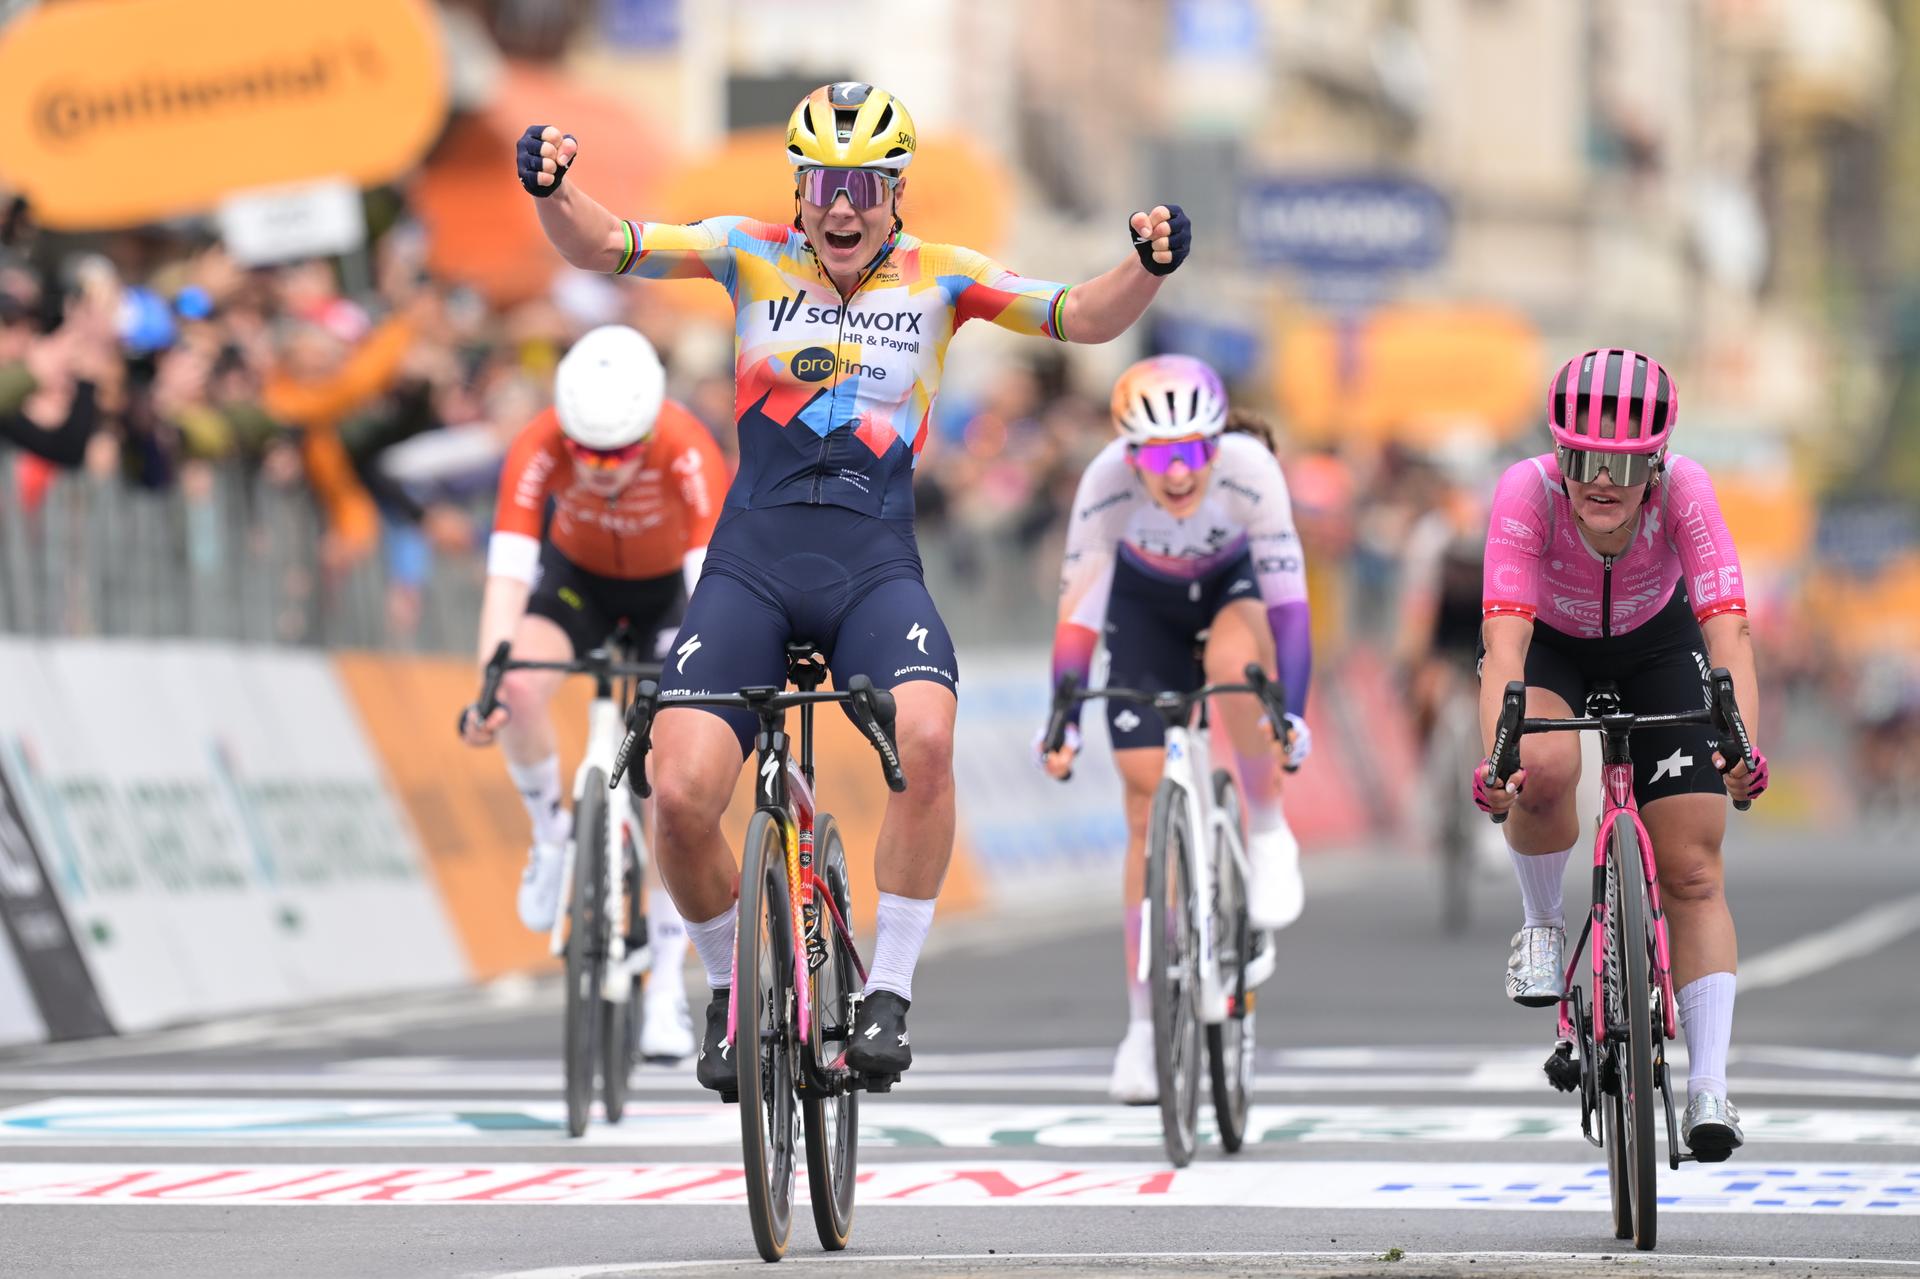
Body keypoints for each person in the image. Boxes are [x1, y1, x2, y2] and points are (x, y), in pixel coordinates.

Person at [515, 81, 1191, 1091]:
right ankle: (724, 989)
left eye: (865, 185)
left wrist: (1145, 265)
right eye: (825, 182)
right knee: (681, 794)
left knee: (924, 738)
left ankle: (889, 996)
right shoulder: (746, 251)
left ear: (898, 189)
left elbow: (1079, 315)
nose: (842, 206)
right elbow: (606, 245)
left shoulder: (944, 279)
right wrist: (552, 189)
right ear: (799, 186)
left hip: (873, 569)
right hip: (751, 564)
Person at [1475, 348, 1768, 1159]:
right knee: (1546, 769)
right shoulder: (1525, 492)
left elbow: (1728, 630)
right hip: (1552, 648)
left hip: (1659, 645)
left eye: (1625, 464)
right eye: (1582, 458)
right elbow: (1504, 642)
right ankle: (1541, 923)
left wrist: (1742, 742)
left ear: (1658, 462)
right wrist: (1497, 760)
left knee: (1694, 868)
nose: (1600, 480)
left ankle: (1709, 1086)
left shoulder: (1689, 492)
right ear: (1557, 451)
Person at [1038, 357, 1312, 1104]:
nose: (1179, 470)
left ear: (1218, 444)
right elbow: (1078, 610)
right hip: (1146, 609)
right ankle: (1143, 1026)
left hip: (1232, 591)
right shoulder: (1104, 484)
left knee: (1232, 658)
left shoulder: (1253, 469)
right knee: (1141, 802)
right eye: (1160, 455)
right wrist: (1061, 716)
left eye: (1194, 450)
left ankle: (1265, 828)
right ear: (1131, 454)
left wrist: (1292, 711)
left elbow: (1289, 607)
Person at [460, 324, 727, 1063]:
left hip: (670, 596)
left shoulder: (685, 443)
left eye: (621, 453)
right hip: (576, 586)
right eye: (588, 453)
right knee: (516, 683)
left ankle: (668, 982)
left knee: (670, 779)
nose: (604, 469)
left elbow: (712, 579)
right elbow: (509, 573)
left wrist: (706, 681)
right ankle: (551, 837)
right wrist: (490, 679)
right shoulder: (539, 441)